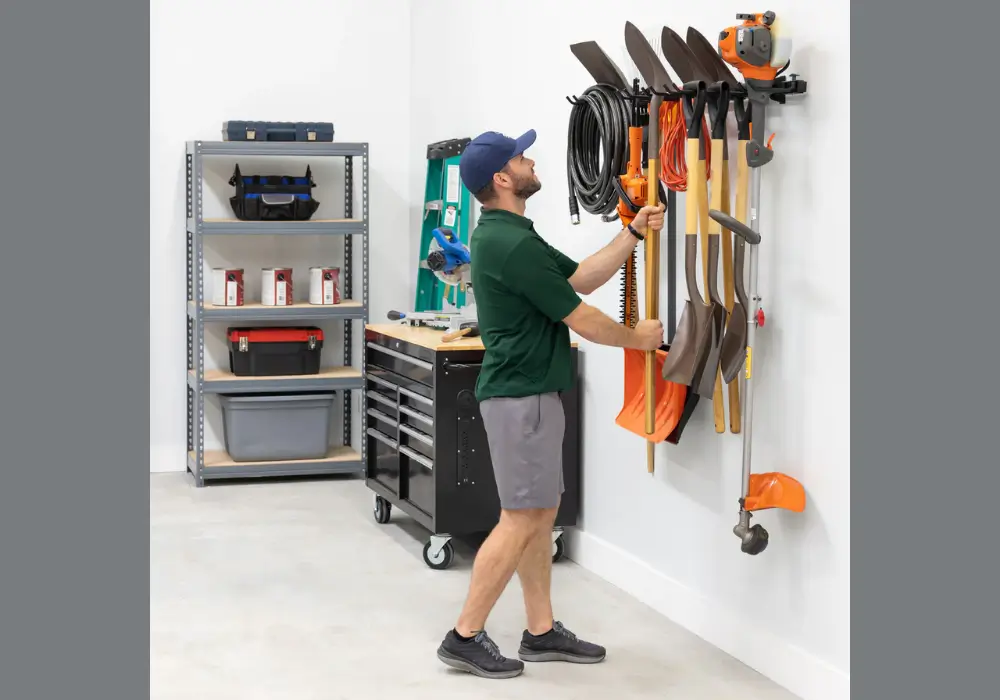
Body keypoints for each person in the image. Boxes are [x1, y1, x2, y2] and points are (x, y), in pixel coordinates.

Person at [435, 129, 665, 680]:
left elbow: (580, 278)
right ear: (503, 178)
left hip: (531, 393)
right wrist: (638, 338)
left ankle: (540, 631)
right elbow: (578, 315)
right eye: (521, 156)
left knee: (540, 515)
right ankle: (463, 635)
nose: (530, 159)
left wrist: (631, 231)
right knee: (520, 518)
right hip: (522, 397)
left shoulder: (512, 233)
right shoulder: (509, 245)